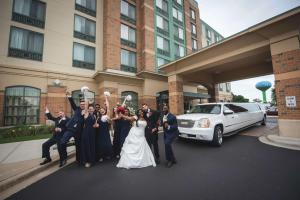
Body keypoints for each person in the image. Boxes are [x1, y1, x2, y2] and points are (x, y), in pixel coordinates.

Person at [58, 92, 85, 167]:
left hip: (79, 132)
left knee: (78, 146)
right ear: (80, 105)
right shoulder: (76, 109)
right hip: (70, 129)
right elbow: (72, 103)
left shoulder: (87, 112)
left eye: (84, 104)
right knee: (62, 142)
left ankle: (79, 160)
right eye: (81, 104)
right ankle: (63, 159)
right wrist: (69, 96)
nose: (82, 105)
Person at [95, 96, 113, 162]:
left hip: (105, 132)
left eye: (103, 110)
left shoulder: (107, 116)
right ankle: (100, 156)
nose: (102, 111)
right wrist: (96, 125)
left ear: (104, 111)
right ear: (99, 111)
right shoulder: (98, 117)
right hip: (100, 132)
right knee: (100, 144)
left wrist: (106, 98)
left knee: (107, 143)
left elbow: (108, 108)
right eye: (101, 110)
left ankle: (107, 155)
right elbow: (96, 124)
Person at [80, 102, 96, 167]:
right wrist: (87, 102)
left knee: (91, 145)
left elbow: (94, 124)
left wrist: (96, 125)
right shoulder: (86, 114)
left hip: (92, 132)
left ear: (94, 110)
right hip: (86, 132)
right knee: (86, 146)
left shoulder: (94, 116)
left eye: (92, 109)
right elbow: (86, 108)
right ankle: (86, 161)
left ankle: (92, 160)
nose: (90, 110)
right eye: (89, 109)